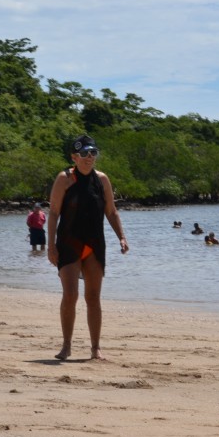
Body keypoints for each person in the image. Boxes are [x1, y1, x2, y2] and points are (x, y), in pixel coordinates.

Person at [48, 134, 129, 361]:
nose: (89, 157)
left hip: (94, 244)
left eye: (93, 152)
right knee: (70, 295)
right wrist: (51, 247)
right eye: (84, 153)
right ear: (74, 157)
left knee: (93, 297)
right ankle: (66, 346)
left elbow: (111, 212)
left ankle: (95, 348)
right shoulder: (64, 179)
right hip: (68, 242)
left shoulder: (102, 180)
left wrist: (121, 237)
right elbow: (53, 214)